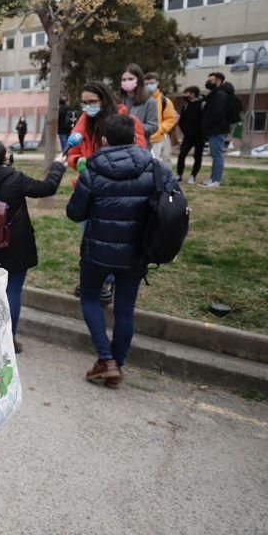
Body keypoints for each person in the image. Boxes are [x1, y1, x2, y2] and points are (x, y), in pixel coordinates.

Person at [66, 113, 178, 389]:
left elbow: (74, 212)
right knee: (125, 308)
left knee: (91, 297)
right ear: (134, 138)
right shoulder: (155, 167)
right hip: (138, 251)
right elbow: (172, 204)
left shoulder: (92, 169)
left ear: (104, 140)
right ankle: (116, 362)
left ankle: (106, 359)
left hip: (97, 251)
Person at [0, 141, 66, 354]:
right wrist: (58, 166)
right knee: (12, 290)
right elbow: (46, 188)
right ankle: (8, 340)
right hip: (14, 244)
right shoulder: (15, 178)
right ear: (1, 158)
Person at [67, 81, 147, 302]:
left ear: (104, 99)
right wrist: (78, 161)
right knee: (92, 238)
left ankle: (109, 281)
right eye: (83, 102)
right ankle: (98, 280)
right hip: (90, 188)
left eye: (92, 102)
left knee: (114, 237)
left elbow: (139, 155)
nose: (87, 107)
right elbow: (71, 152)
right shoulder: (84, 122)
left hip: (120, 190)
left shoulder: (126, 121)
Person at [201, 71, 238, 188]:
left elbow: (217, 113)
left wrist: (208, 125)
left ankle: (216, 180)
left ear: (219, 80)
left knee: (217, 156)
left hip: (217, 130)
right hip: (216, 129)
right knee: (215, 155)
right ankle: (213, 178)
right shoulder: (217, 94)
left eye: (211, 80)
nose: (208, 82)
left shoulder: (220, 95)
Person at [120, 63, 158, 146]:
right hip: (119, 145)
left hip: (139, 146)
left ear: (139, 80)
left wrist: (132, 128)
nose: (127, 82)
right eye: (124, 79)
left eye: (130, 79)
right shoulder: (118, 100)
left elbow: (153, 126)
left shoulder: (150, 102)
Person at [144, 72, 178, 161]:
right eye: (146, 84)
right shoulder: (140, 100)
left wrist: (160, 129)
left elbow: (170, 118)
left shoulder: (165, 101)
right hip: (142, 138)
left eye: (151, 83)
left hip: (158, 139)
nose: (148, 85)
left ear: (157, 83)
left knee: (158, 163)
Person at [175, 86, 205, 184]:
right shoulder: (186, 106)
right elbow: (181, 121)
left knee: (197, 156)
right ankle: (179, 175)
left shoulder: (203, 104)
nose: (184, 95)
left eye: (186, 93)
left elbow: (206, 120)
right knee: (182, 155)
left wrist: (203, 132)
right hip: (188, 136)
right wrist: (185, 130)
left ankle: (193, 176)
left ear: (193, 93)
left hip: (200, 136)